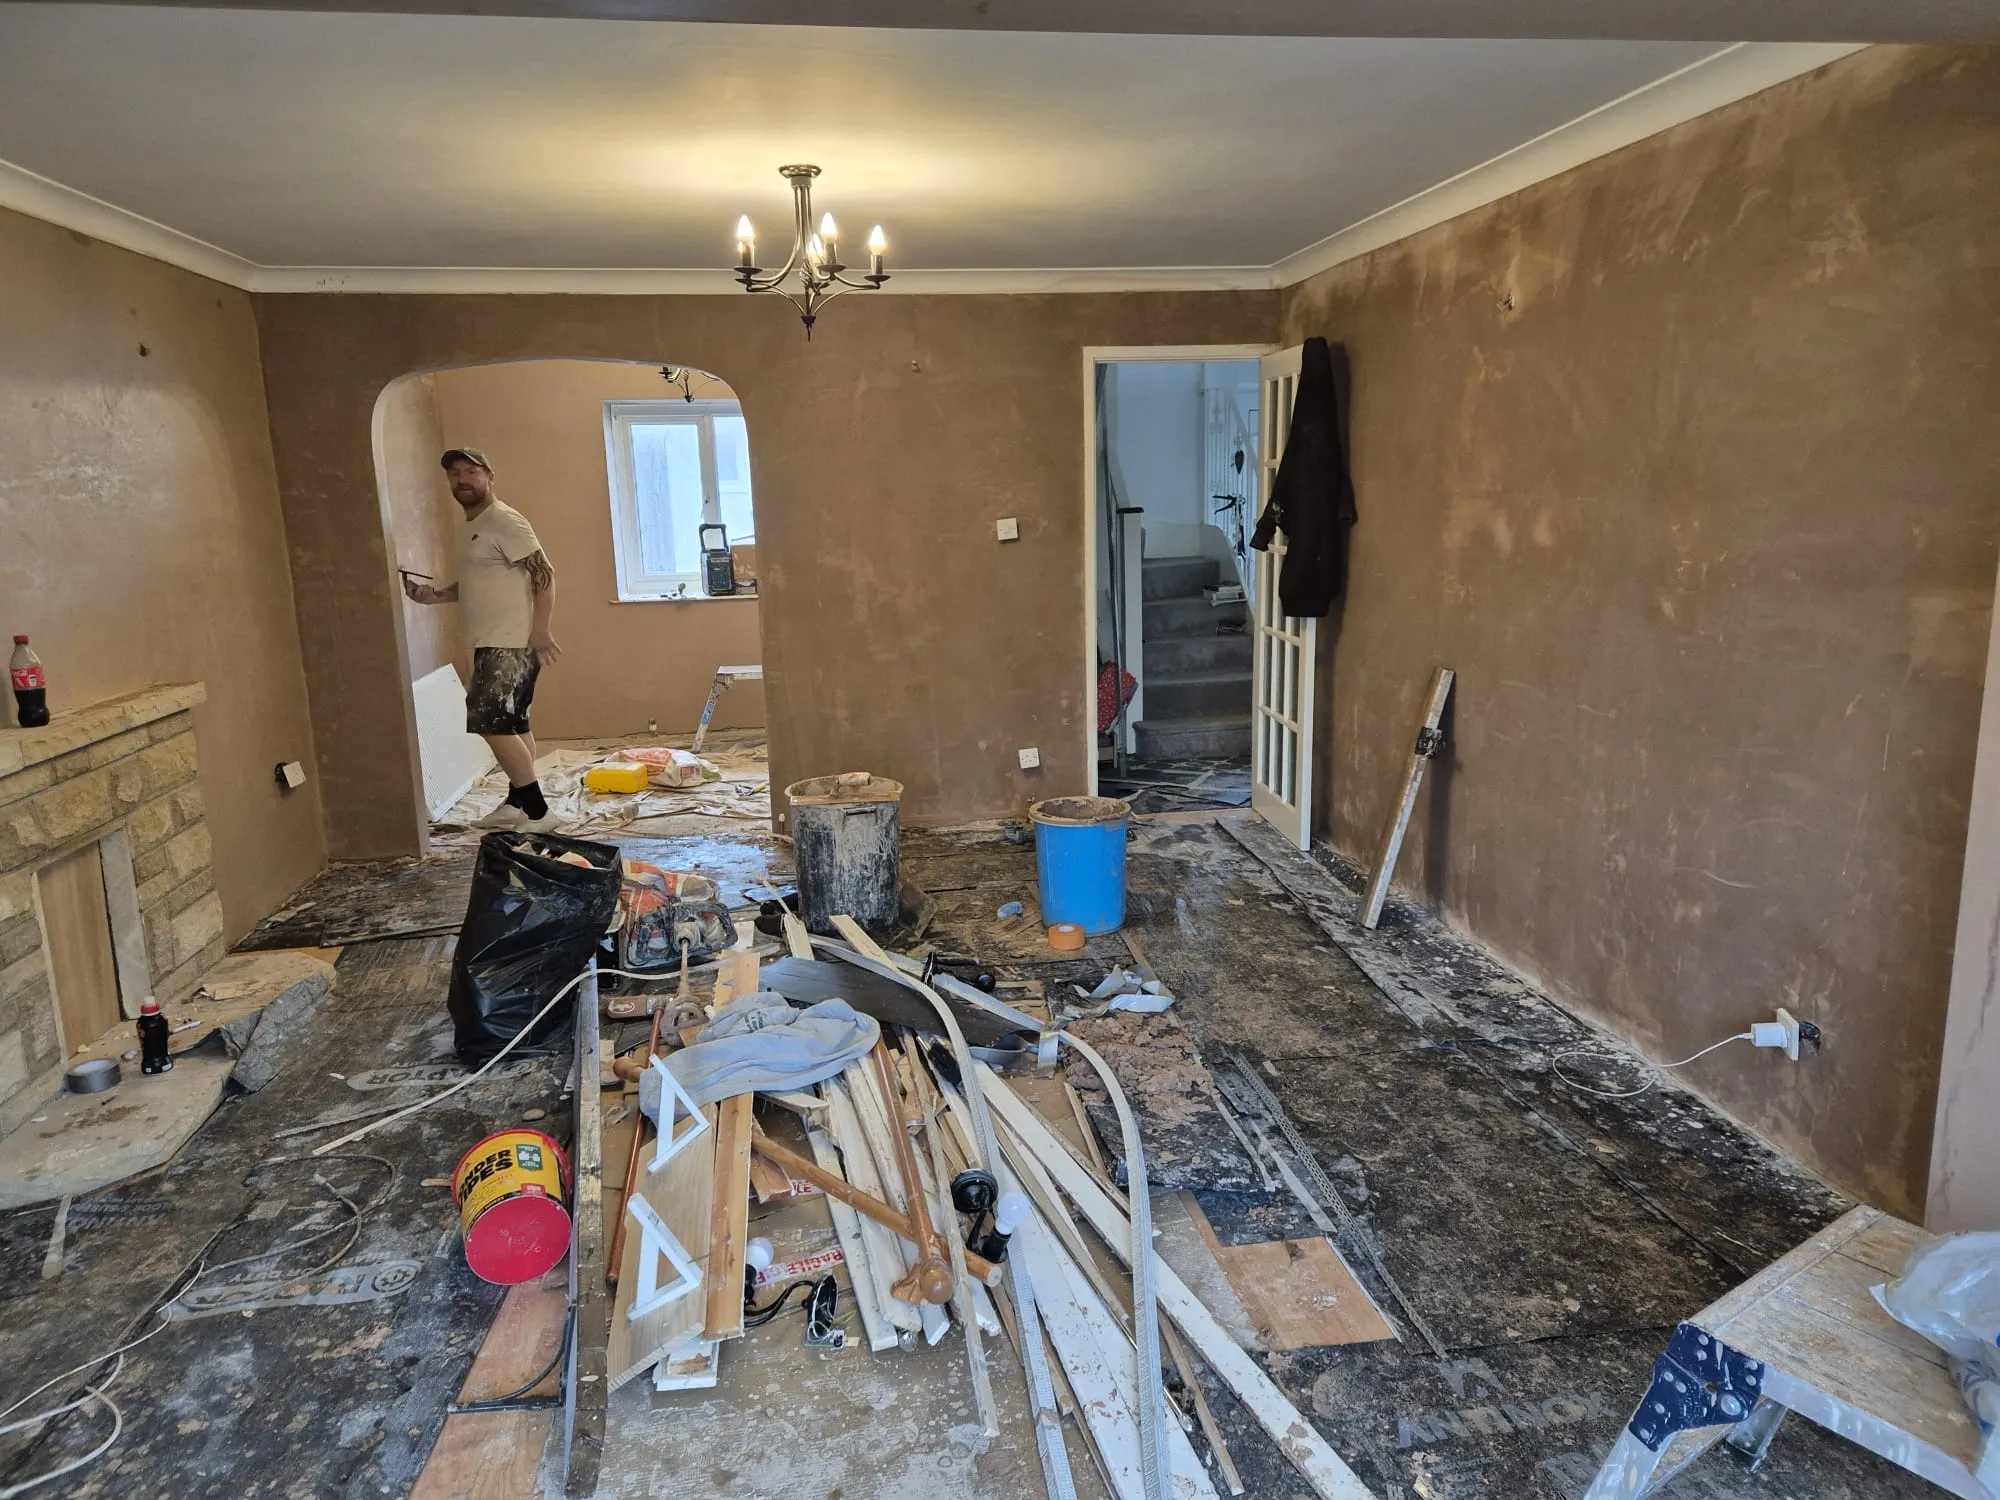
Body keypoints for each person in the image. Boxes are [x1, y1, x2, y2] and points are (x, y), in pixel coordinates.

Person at [404, 447, 563, 830]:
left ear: (490, 475)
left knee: (492, 724)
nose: (462, 479)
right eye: (455, 473)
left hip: (510, 641)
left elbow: (544, 573)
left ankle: (540, 814)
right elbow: (481, 582)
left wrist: (541, 629)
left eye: (471, 471)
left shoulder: (504, 520)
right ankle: (517, 804)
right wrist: (436, 595)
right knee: (513, 724)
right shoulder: (470, 527)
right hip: (493, 640)